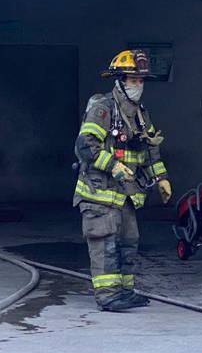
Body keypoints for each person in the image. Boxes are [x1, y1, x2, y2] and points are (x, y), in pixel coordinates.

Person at [73, 49, 172, 311]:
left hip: (126, 195)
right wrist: (112, 164)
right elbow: (85, 145)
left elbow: (150, 150)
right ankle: (107, 296)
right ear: (119, 81)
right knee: (105, 243)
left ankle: (125, 292)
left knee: (129, 243)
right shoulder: (103, 109)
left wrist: (161, 178)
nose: (138, 85)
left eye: (141, 80)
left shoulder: (140, 114)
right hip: (99, 193)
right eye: (132, 80)